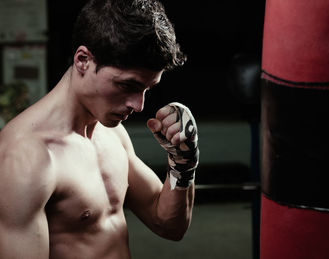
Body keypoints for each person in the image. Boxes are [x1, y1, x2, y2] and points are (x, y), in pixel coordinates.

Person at [0, 0, 199, 258]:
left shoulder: (111, 131)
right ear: (83, 60)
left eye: (147, 89)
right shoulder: (27, 158)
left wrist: (183, 162)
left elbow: (169, 225)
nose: (138, 106)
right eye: (127, 86)